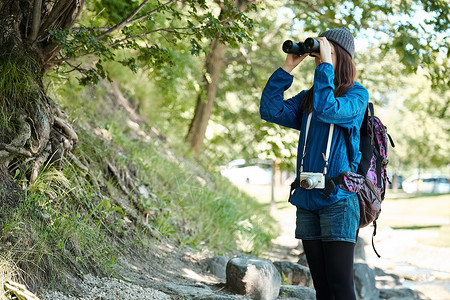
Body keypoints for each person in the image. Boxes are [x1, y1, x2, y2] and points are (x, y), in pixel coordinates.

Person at [260, 27, 368, 300]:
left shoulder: (357, 96)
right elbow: (270, 110)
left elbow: (328, 108)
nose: (318, 58)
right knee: (321, 288)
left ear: (338, 56)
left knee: (341, 288)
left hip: (338, 201)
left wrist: (326, 68)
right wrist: (287, 68)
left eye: (324, 52)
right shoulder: (310, 96)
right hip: (307, 200)